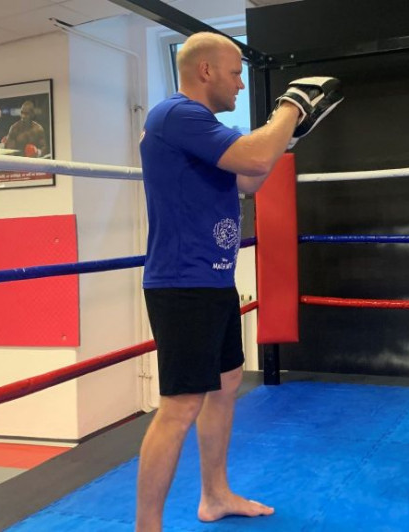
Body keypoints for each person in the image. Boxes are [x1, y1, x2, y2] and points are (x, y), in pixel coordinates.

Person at [137, 31, 342, 531]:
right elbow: (254, 159)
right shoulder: (176, 114)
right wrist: (291, 106)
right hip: (182, 283)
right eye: (235, 73)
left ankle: (215, 494)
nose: (240, 84)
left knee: (226, 384)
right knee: (180, 406)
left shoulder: (205, 128)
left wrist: (287, 136)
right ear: (205, 70)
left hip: (213, 280)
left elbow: (250, 178)